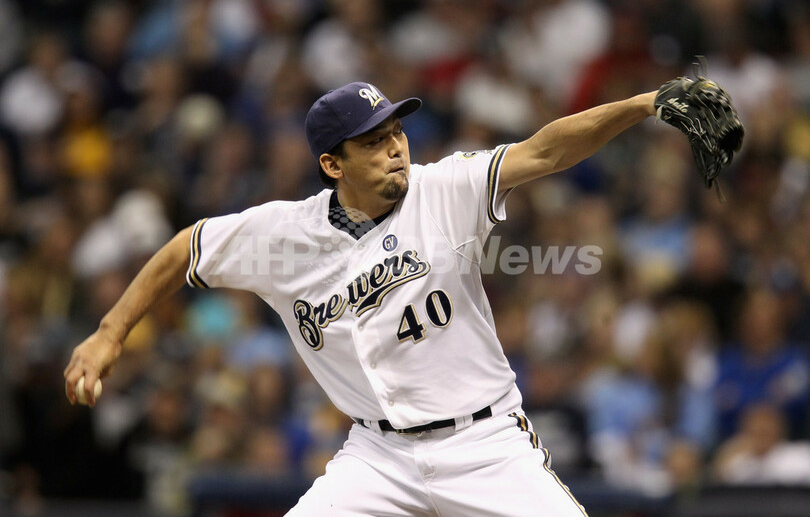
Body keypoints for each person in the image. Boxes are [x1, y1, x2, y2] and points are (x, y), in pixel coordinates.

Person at [64, 80, 658, 516]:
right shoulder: (284, 235)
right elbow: (185, 248)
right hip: (379, 456)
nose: (396, 147)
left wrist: (642, 104)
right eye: (374, 141)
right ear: (333, 164)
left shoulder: (442, 189)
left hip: (484, 443)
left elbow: (546, 151)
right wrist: (110, 332)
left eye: (397, 131)